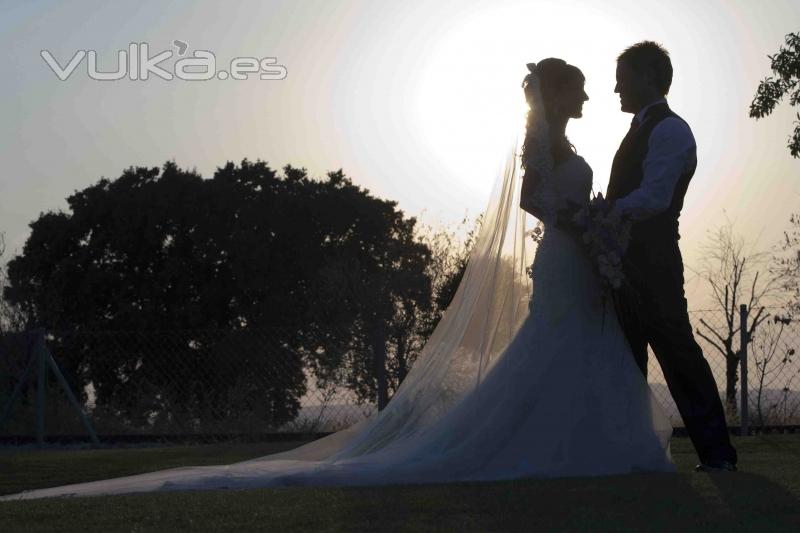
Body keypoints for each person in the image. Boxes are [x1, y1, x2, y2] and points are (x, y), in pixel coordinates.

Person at [0, 58, 676, 501]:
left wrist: (592, 226)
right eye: (580, 86)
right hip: (564, 253)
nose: (590, 94)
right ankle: (547, 446)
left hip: (577, 257)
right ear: (558, 93)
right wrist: (580, 221)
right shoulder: (539, 142)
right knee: (551, 350)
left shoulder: (568, 145)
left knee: (573, 350)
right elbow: (533, 198)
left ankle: (579, 444)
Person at [605, 41, 737, 472]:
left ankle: (717, 454)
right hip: (623, 260)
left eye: (623, 79)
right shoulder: (641, 127)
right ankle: (634, 453)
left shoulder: (671, 130)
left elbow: (656, 197)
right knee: (626, 358)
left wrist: (605, 212)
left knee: (677, 352)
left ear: (647, 77)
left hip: (655, 259)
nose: (616, 89)